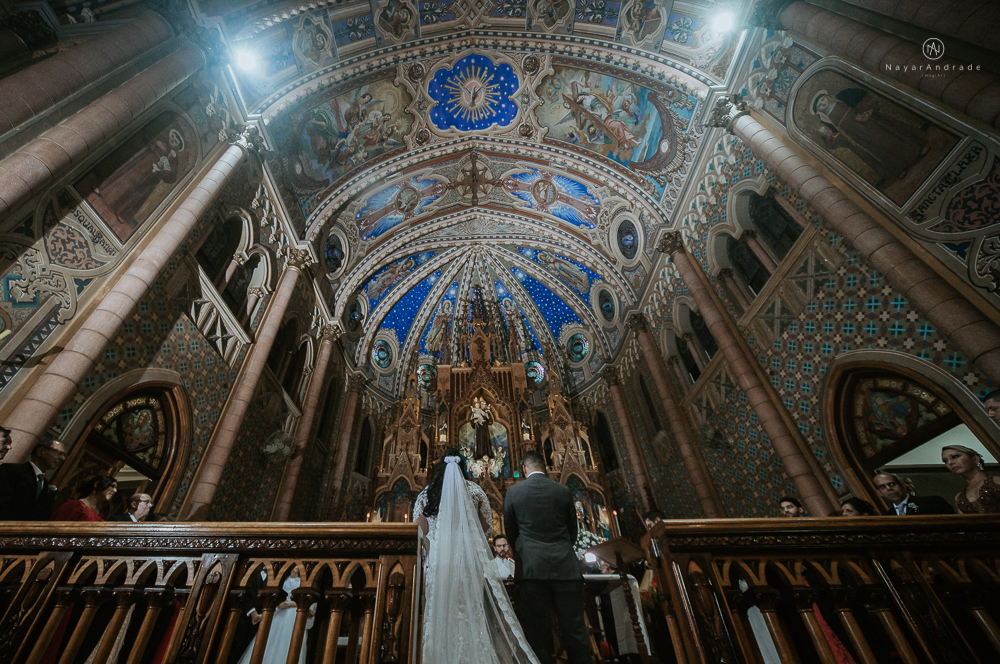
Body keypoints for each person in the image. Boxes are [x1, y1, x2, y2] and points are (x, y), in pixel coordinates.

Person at [413, 449, 538, 663]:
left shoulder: (427, 494)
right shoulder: (474, 491)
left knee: (441, 612)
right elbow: (486, 529)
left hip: (439, 564)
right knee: (470, 610)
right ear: (463, 467)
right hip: (467, 564)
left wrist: (434, 546)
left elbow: (418, 532)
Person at [504, 450, 591, 664]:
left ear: (524, 469)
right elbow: (573, 531)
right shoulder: (562, 490)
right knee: (575, 631)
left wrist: (526, 552)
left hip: (532, 572)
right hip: (566, 569)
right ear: (544, 467)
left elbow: (511, 533)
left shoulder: (514, 492)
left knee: (538, 634)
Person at [235, 566, 312, 664]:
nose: (297, 567)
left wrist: (287, 605)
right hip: (278, 612)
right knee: (268, 639)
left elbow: (306, 600)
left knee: (288, 641)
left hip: (293, 613)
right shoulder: (282, 580)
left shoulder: (301, 582)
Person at [0, 440, 67, 520]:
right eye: (58, 453)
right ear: (40, 451)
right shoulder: (11, 471)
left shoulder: (48, 487)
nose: (62, 458)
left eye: (65, 455)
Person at [942, 445, 1000, 514]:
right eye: (945, 461)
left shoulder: (998, 481)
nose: (950, 462)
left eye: (955, 456)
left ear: (976, 459)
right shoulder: (959, 498)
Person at [873, 472, 954, 515]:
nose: (889, 488)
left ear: (903, 486)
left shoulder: (932, 502)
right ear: (880, 493)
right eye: (882, 487)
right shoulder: (888, 517)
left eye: (891, 484)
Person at [51, 476, 117, 521]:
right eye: (113, 486)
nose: (115, 490)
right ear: (97, 484)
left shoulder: (100, 514)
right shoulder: (75, 505)